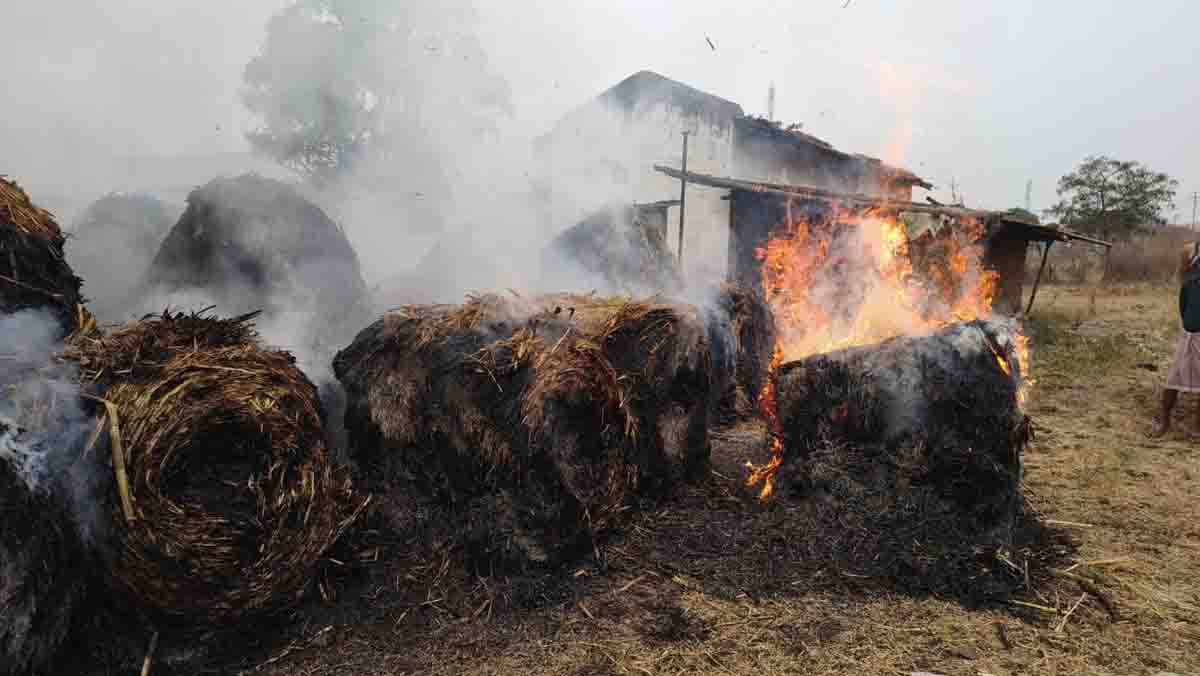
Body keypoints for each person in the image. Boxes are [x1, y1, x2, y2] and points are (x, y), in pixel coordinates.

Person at [1151, 240, 1200, 437]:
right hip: (1193, 320)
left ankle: (1198, 423)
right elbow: (1184, 283)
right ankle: (1164, 416)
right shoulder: (1192, 249)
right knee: (1177, 371)